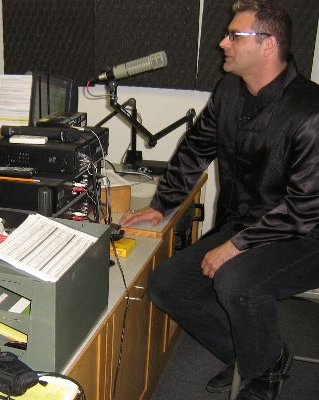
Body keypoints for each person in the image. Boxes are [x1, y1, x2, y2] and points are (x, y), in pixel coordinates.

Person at [119, 1, 319, 399]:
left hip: (304, 238)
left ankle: (262, 373)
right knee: (167, 284)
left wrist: (234, 247)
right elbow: (196, 148)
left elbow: (304, 209)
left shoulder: (310, 111)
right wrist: (162, 203)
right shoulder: (229, 91)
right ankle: (257, 354)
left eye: (234, 35)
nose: (222, 42)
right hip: (243, 226)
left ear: (268, 44)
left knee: (235, 281)